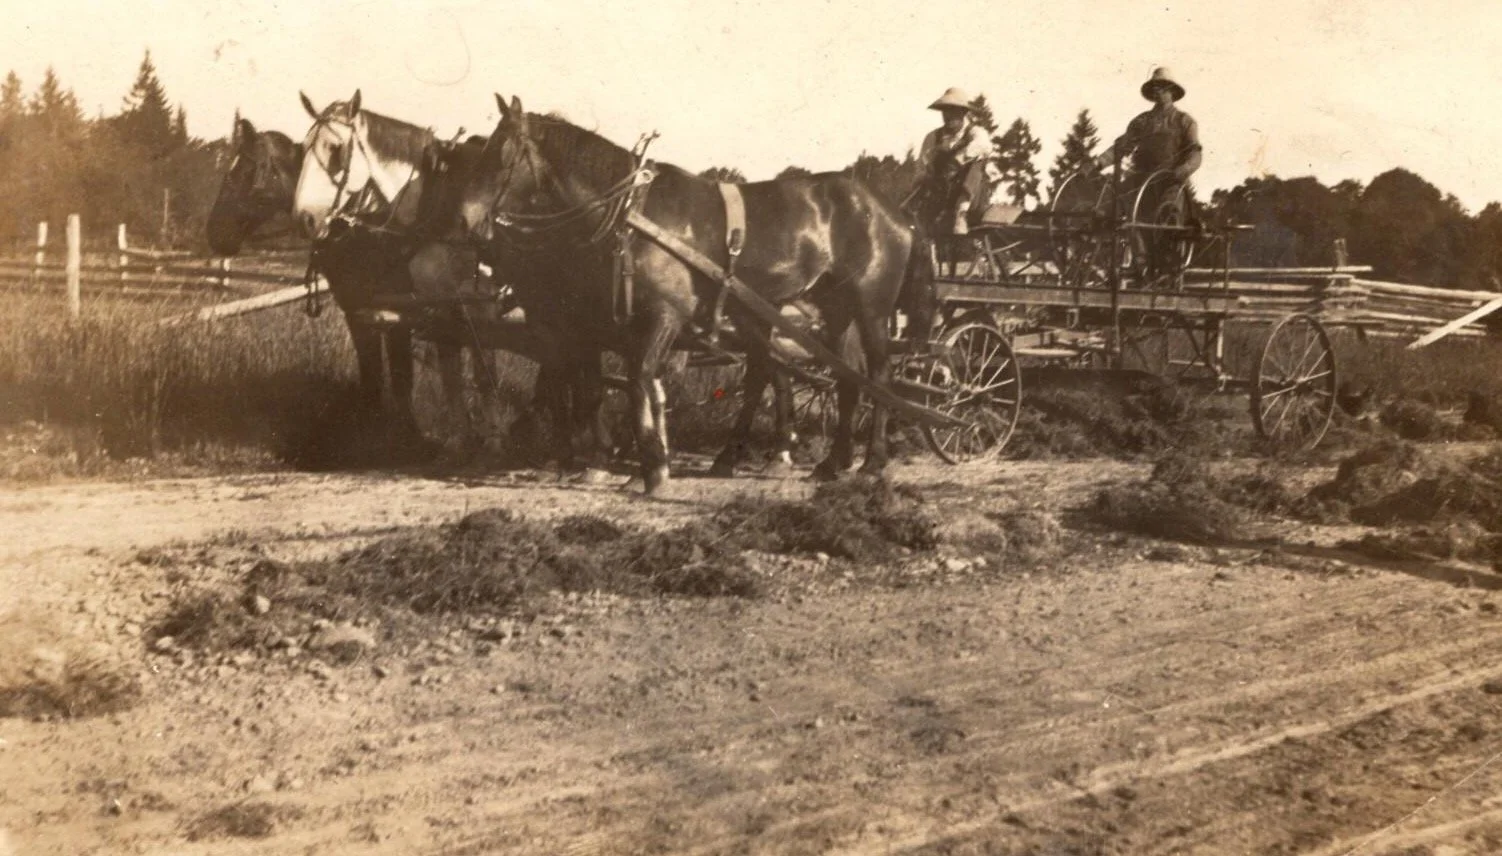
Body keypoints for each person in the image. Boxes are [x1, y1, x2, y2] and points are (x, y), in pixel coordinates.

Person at [1094, 67, 1203, 282]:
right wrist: (1098, 163)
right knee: (1123, 211)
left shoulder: (1184, 121)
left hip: (1171, 183)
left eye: (1163, 88)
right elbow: (1121, 147)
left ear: (1172, 91)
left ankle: (1167, 269)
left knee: (1166, 216)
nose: (1158, 92)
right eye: (1155, 88)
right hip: (1142, 182)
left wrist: (1181, 171)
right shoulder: (1142, 122)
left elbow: (1194, 153)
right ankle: (1140, 267)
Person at [918, 87, 994, 236]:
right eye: (945, 111)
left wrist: (958, 160)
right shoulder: (933, 137)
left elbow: (983, 147)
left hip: (972, 196)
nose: (948, 116)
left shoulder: (976, 133)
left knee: (977, 163)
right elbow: (922, 164)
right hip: (941, 190)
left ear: (963, 113)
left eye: (953, 111)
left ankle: (961, 214)